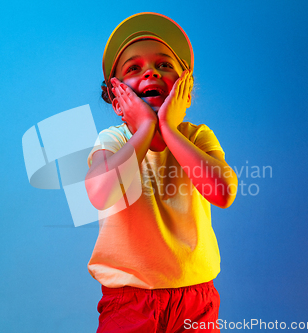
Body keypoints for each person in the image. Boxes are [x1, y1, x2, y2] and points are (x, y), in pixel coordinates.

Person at [85, 12, 238, 333]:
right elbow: (100, 195)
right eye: (133, 68)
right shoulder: (112, 141)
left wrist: (168, 127)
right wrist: (143, 131)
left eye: (164, 65)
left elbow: (223, 194)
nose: (151, 72)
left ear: (186, 91)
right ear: (117, 101)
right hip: (129, 298)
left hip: (196, 296)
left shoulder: (198, 137)